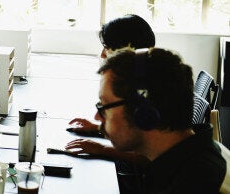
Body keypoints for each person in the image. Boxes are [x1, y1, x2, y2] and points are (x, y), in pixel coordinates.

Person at [94, 47, 230, 193]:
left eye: (105, 106)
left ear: (142, 113)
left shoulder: (191, 184)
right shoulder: (196, 155)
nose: (97, 116)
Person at [67, 14, 155, 153]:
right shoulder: (145, 73)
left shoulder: (147, 87)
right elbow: (135, 132)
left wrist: (103, 150)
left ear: (126, 48)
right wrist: (99, 128)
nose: (102, 54)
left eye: (107, 47)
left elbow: (149, 154)